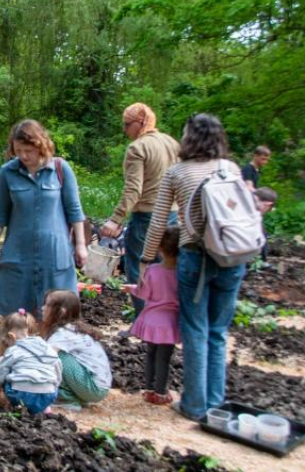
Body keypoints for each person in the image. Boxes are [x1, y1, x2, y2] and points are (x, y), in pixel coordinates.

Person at [140, 113, 245, 421]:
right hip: (233, 257)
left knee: (196, 329)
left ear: (189, 138)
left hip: (196, 256)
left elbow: (160, 221)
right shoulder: (231, 169)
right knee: (218, 331)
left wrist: (147, 260)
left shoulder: (178, 172)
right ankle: (215, 402)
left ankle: (195, 405)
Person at [0, 120, 87, 319]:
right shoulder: (7, 172)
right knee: (15, 317)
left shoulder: (60, 169)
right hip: (18, 255)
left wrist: (81, 245)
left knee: (57, 315)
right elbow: (0, 215)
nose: (23, 156)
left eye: (28, 150)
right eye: (18, 150)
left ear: (41, 145)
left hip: (54, 255)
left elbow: (75, 210)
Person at [100, 103, 180, 316]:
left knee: (138, 270)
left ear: (141, 122)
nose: (125, 130)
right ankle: (166, 320)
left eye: (127, 125)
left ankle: (144, 322)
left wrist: (116, 219)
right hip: (172, 217)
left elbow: (134, 188)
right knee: (167, 269)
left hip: (146, 217)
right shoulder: (172, 143)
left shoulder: (138, 148)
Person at [125, 226, 180, 405]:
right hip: (170, 323)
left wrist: (132, 289)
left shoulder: (153, 270)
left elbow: (145, 293)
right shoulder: (183, 273)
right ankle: (161, 392)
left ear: (160, 248)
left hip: (151, 320)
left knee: (150, 354)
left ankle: (148, 389)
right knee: (164, 358)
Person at [41, 290, 112, 410]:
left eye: (47, 305)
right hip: (96, 385)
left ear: (61, 312)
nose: (42, 308)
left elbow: (44, 358)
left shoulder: (63, 334)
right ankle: (74, 395)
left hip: (94, 387)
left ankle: (67, 399)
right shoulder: (72, 329)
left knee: (55, 358)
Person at [0, 309, 62, 415]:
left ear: (11, 336)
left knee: (7, 374)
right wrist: (54, 385)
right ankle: (43, 408)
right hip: (48, 394)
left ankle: (17, 406)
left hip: (21, 395)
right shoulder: (47, 347)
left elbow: (0, 373)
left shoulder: (13, 350)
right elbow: (57, 366)